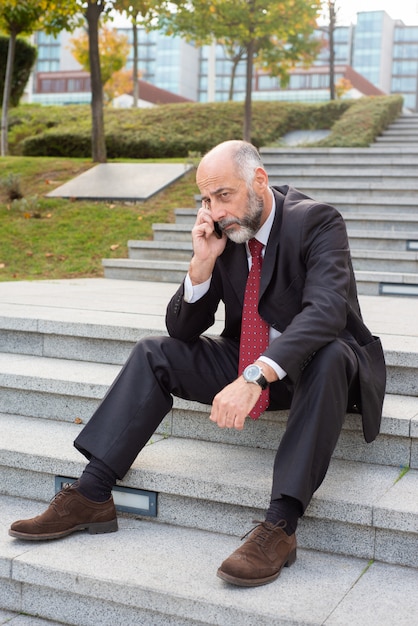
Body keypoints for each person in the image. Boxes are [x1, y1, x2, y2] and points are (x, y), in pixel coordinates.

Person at [9, 140, 386, 587]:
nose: (214, 210)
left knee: (328, 356)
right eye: (206, 199)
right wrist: (201, 265)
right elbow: (182, 333)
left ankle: (280, 526)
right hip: (248, 359)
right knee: (154, 352)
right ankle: (92, 493)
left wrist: (255, 375)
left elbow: (326, 313)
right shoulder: (226, 233)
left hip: (319, 369)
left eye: (223, 195)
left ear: (258, 182)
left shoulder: (317, 221)